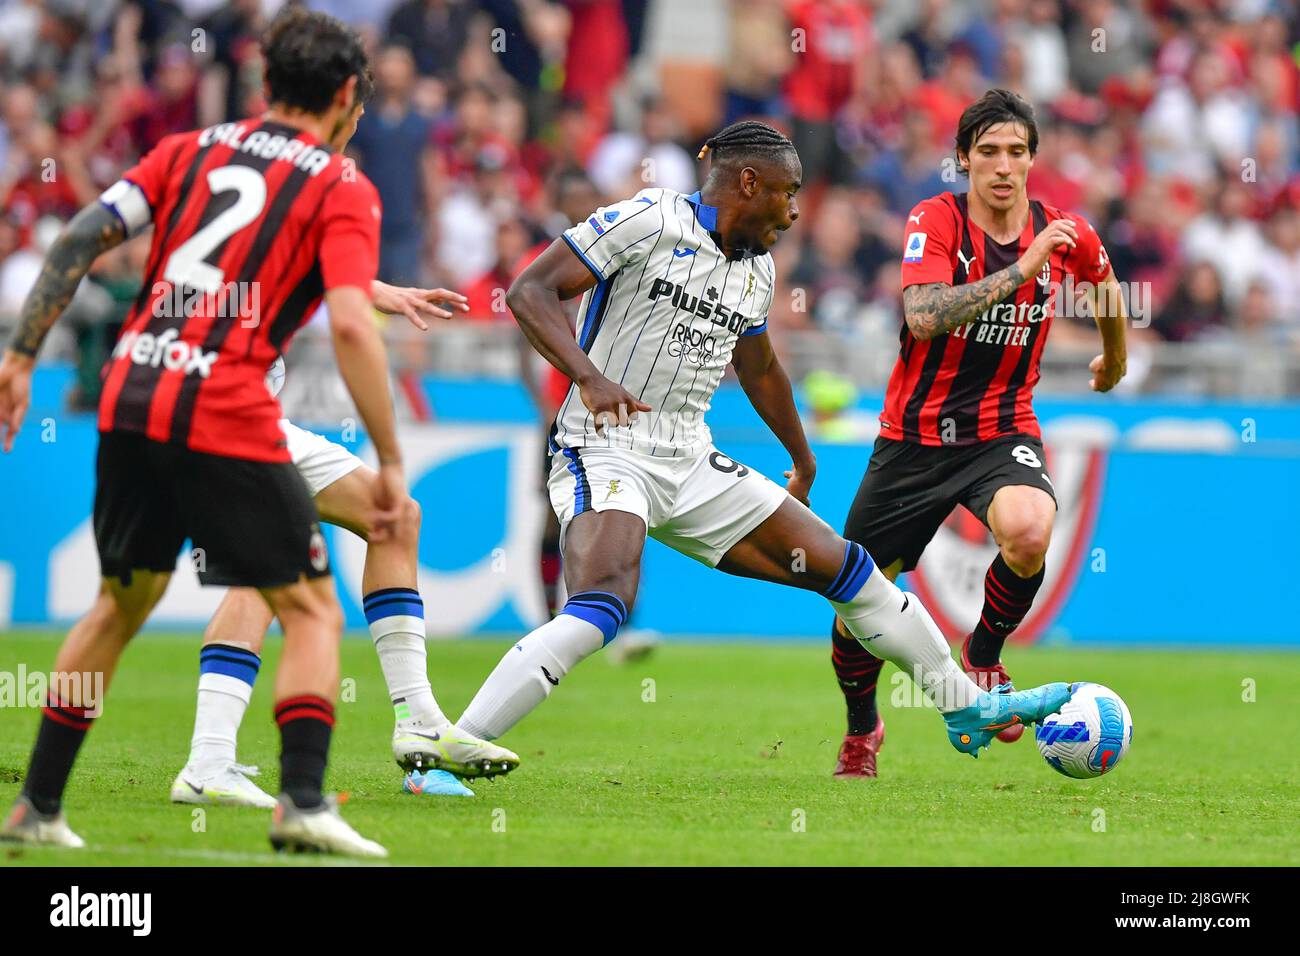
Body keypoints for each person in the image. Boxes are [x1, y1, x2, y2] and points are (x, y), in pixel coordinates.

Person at [450, 120, 1073, 754]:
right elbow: (530, 290)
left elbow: (760, 367)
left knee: (849, 571)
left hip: (690, 457)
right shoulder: (646, 219)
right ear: (749, 182)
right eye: (788, 190)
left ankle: (963, 707)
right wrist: (588, 377)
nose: (796, 208)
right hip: (607, 443)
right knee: (603, 604)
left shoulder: (757, 270)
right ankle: (457, 742)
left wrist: (800, 459)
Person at [0, 8, 396, 856]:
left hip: (132, 392)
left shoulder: (190, 149)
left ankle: (37, 806)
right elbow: (356, 329)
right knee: (313, 608)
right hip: (225, 405)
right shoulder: (340, 184)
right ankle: (300, 800)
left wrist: (21, 356)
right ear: (346, 95)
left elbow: (79, 236)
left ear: (264, 83)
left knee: (119, 603)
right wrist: (390, 455)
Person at [829, 89, 1128, 778]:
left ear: (1031, 160)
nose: (1002, 166)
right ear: (962, 159)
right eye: (987, 152)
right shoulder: (933, 222)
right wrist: (1022, 270)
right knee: (857, 606)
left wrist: (1115, 358)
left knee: (1028, 530)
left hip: (1001, 429)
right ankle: (861, 728)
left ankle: (985, 654)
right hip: (914, 437)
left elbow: (1107, 286)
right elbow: (926, 315)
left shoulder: (1063, 229)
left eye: (1016, 152)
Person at [170, 282, 520, 810]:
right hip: (224, 418)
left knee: (394, 518)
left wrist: (372, 290)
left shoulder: (247, 221)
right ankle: (210, 765)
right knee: (266, 578)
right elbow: (324, 283)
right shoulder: (262, 218)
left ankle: (418, 719)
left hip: (246, 416)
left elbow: (313, 264)